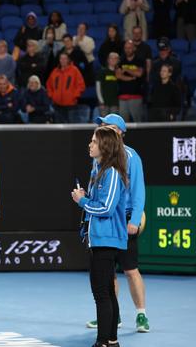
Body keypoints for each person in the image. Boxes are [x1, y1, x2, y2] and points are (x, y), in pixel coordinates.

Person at [71, 125, 129, 347]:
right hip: (99, 239)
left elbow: (106, 208)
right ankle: (110, 341)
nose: (90, 144)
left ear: (104, 146)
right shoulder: (99, 170)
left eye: (94, 141)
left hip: (107, 240)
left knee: (102, 294)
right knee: (105, 292)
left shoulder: (112, 172)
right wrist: (86, 198)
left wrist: (82, 201)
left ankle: (105, 342)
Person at [91, 114, 149, 334]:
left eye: (108, 126)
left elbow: (139, 191)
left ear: (119, 132)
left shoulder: (131, 157)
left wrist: (134, 220)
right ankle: (111, 316)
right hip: (106, 221)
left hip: (124, 220)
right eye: (102, 125)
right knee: (109, 273)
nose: (103, 128)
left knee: (130, 269)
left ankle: (141, 314)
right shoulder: (99, 157)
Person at [46, 52, 86, 123]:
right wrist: (52, 96)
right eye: (61, 58)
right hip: (57, 105)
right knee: (59, 129)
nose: (63, 60)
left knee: (71, 128)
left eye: (65, 58)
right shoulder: (55, 71)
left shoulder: (74, 70)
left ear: (68, 60)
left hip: (71, 105)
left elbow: (81, 85)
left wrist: (74, 96)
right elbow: (49, 85)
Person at [116, 40, 145, 122]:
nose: (127, 50)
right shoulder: (121, 61)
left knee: (138, 123)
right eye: (126, 48)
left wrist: (126, 69)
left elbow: (139, 74)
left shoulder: (139, 60)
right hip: (123, 97)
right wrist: (132, 77)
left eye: (129, 48)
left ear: (134, 48)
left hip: (136, 96)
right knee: (123, 125)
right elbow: (118, 75)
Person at [96, 52, 121, 117]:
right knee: (104, 124)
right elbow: (98, 87)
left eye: (115, 58)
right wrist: (101, 101)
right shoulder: (102, 72)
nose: (113, 60)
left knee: (113, 124)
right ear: (108, 60)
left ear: (118, 60)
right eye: (111, 58)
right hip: (104, 103)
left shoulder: (119, 73)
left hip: (115, 103)